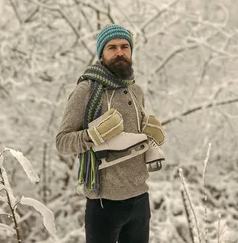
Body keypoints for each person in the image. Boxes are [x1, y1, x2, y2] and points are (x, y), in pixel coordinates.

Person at [56, 24, 165, 243]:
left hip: (140, 200)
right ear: (102, 54)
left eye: (125, 47)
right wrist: (93, 135)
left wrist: (151, 141)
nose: (119, 52)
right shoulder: (86, 90)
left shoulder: (135, 90)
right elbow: (62, 142)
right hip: (104, 204)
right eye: (112, 47)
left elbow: (137, 137)